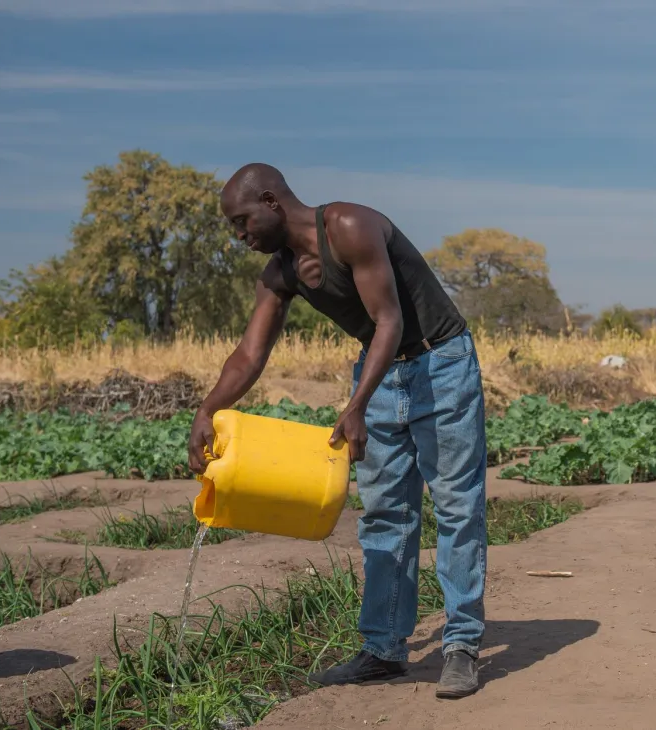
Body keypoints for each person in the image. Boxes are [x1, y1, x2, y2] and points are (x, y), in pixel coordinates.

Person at [187, 163, 488, 699]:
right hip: (378, 374)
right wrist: (207, 409)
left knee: (456, 506)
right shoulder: (280, 273)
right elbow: (250, 353)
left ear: (271, 201)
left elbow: (390, 320)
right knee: (385, 513)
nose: (239, 236)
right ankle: (384, 650)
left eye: (242, 221)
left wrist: (356, 404)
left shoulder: (349, 227)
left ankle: (461, 645)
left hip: (439, 365)